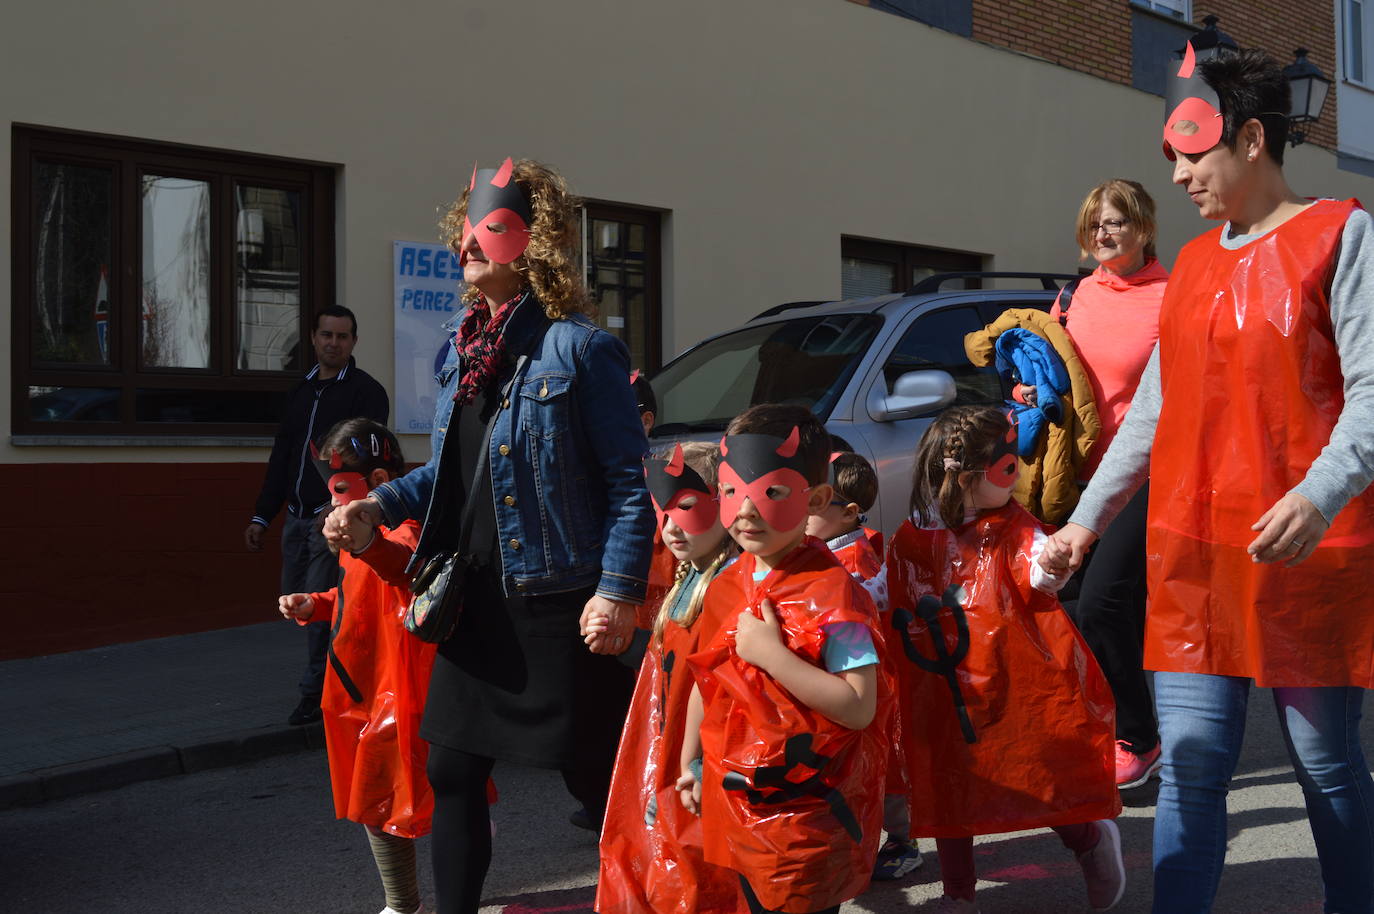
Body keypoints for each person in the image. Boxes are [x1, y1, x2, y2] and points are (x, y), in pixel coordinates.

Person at [1041, 47, 1374, 914]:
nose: (1180, 175)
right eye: (1174, 158)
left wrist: (1317, 493)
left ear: (1252, 138)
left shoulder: (1343, 234)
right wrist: (1085, 521)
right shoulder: (1189, 267)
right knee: (1190, 766)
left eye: (1193, 154)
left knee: (1327, 765)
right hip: (1193, 558)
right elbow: (1152, 412)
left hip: (1308, 554)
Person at [327, 158, 654, 914]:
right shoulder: (463, 351)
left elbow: (627, 488)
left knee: (598, 774)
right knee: (451, 770)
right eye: (464, 232)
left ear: (532, 243)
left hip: (557, 601)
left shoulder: (581, 351)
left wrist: (617, 591)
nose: (468, 245)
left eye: (490, 229)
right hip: (477, 597)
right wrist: (376, 509)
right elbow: (447, 475)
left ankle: (659, 889)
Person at [874, 406, 1123, 913]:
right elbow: (885, 589)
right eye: (1008, 468)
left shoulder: (1013, 526)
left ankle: (1089, 841)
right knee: (947, 783)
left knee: (1036, 773)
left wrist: (1052, 564)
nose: (1019, 476)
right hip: (942, 691)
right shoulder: (911, 538)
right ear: (967, 477)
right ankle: (958, 893)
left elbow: (1040, 578)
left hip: (1014, 680)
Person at [677, 404, 889, 914]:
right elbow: (710, 681)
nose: (745, 510)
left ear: (814, 498)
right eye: (731, 492)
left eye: (771, 492)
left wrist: (773, 656)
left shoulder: (836, 597)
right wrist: (691, 761)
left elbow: (859, 706)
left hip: (808, 810)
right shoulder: (727, 584)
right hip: (741, 797)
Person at [278, 418, 430, 914]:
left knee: (379, 798)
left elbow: (400, 568)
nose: (336, 502)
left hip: (394, 688)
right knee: (380, 797)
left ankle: (401, 902)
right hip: (355, 687)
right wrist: (314, 603)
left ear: (382, 485)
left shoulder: (404, 531)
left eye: (344, 489)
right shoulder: (353, 538)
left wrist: (365, 542)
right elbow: (351, 598)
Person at [1052, 179, 1169, 789]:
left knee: (1102, 603)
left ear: (1144, 227)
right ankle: (1106, 724)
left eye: (1116, 222)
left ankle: (1141, 738)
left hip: (1141, 476)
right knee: (1067, 604)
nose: (1103, 232)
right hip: (1073, 478)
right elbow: (1052, 378)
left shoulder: (1171, 298)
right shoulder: (1072, 299)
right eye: (1095, 222)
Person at [596, 442, 743, 914]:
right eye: (664, 512)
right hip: (670, 738)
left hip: (701, 750)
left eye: (686, 507)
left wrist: (694, 764)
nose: (671, 526)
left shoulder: (727, 587)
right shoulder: (688, 579)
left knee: (701, 865)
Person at [246, 305, 389, 726]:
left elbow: (368, 458)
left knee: (320, 607)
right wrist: (260, 516)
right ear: (313, 338)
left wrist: (343, 506)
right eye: (326, 335)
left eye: (342, 337)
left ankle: (317, 694)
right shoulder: (300, 391)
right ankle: (330, 682)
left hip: (333, 520)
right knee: (296, 602)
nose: (333, 343)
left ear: (353, 342)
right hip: (295, 514)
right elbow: (283, 457)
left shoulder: (366, 392)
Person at [806, 451, 921, 880]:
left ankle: (903, 841)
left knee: (881, 768)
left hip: (871, 682)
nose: (803, 513)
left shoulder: (855, 563)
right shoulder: (831, 552)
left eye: (816, 505)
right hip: (848, 679)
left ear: (850, 513)